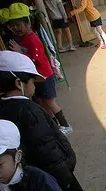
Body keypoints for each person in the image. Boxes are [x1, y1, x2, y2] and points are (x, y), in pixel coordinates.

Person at [0, 50, 105, 191]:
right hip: (53, 173)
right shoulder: (28, 110)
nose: (35, 85)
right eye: (31, 81)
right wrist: (65, 176)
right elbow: (45, 146)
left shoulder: (5, 108)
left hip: (25, 176)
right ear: (18, 83)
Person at [6, 2, 72, 135]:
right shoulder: (21, 38)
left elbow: (36, 59)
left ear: (28, 24)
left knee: (50, 101)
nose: (15, 28)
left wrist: (20, 52)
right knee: (42, 102)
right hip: (36, 77)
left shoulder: (32, 38)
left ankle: (65, 125)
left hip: (45, 76)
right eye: (12, 25)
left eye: (18, 24)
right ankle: (54, 126)